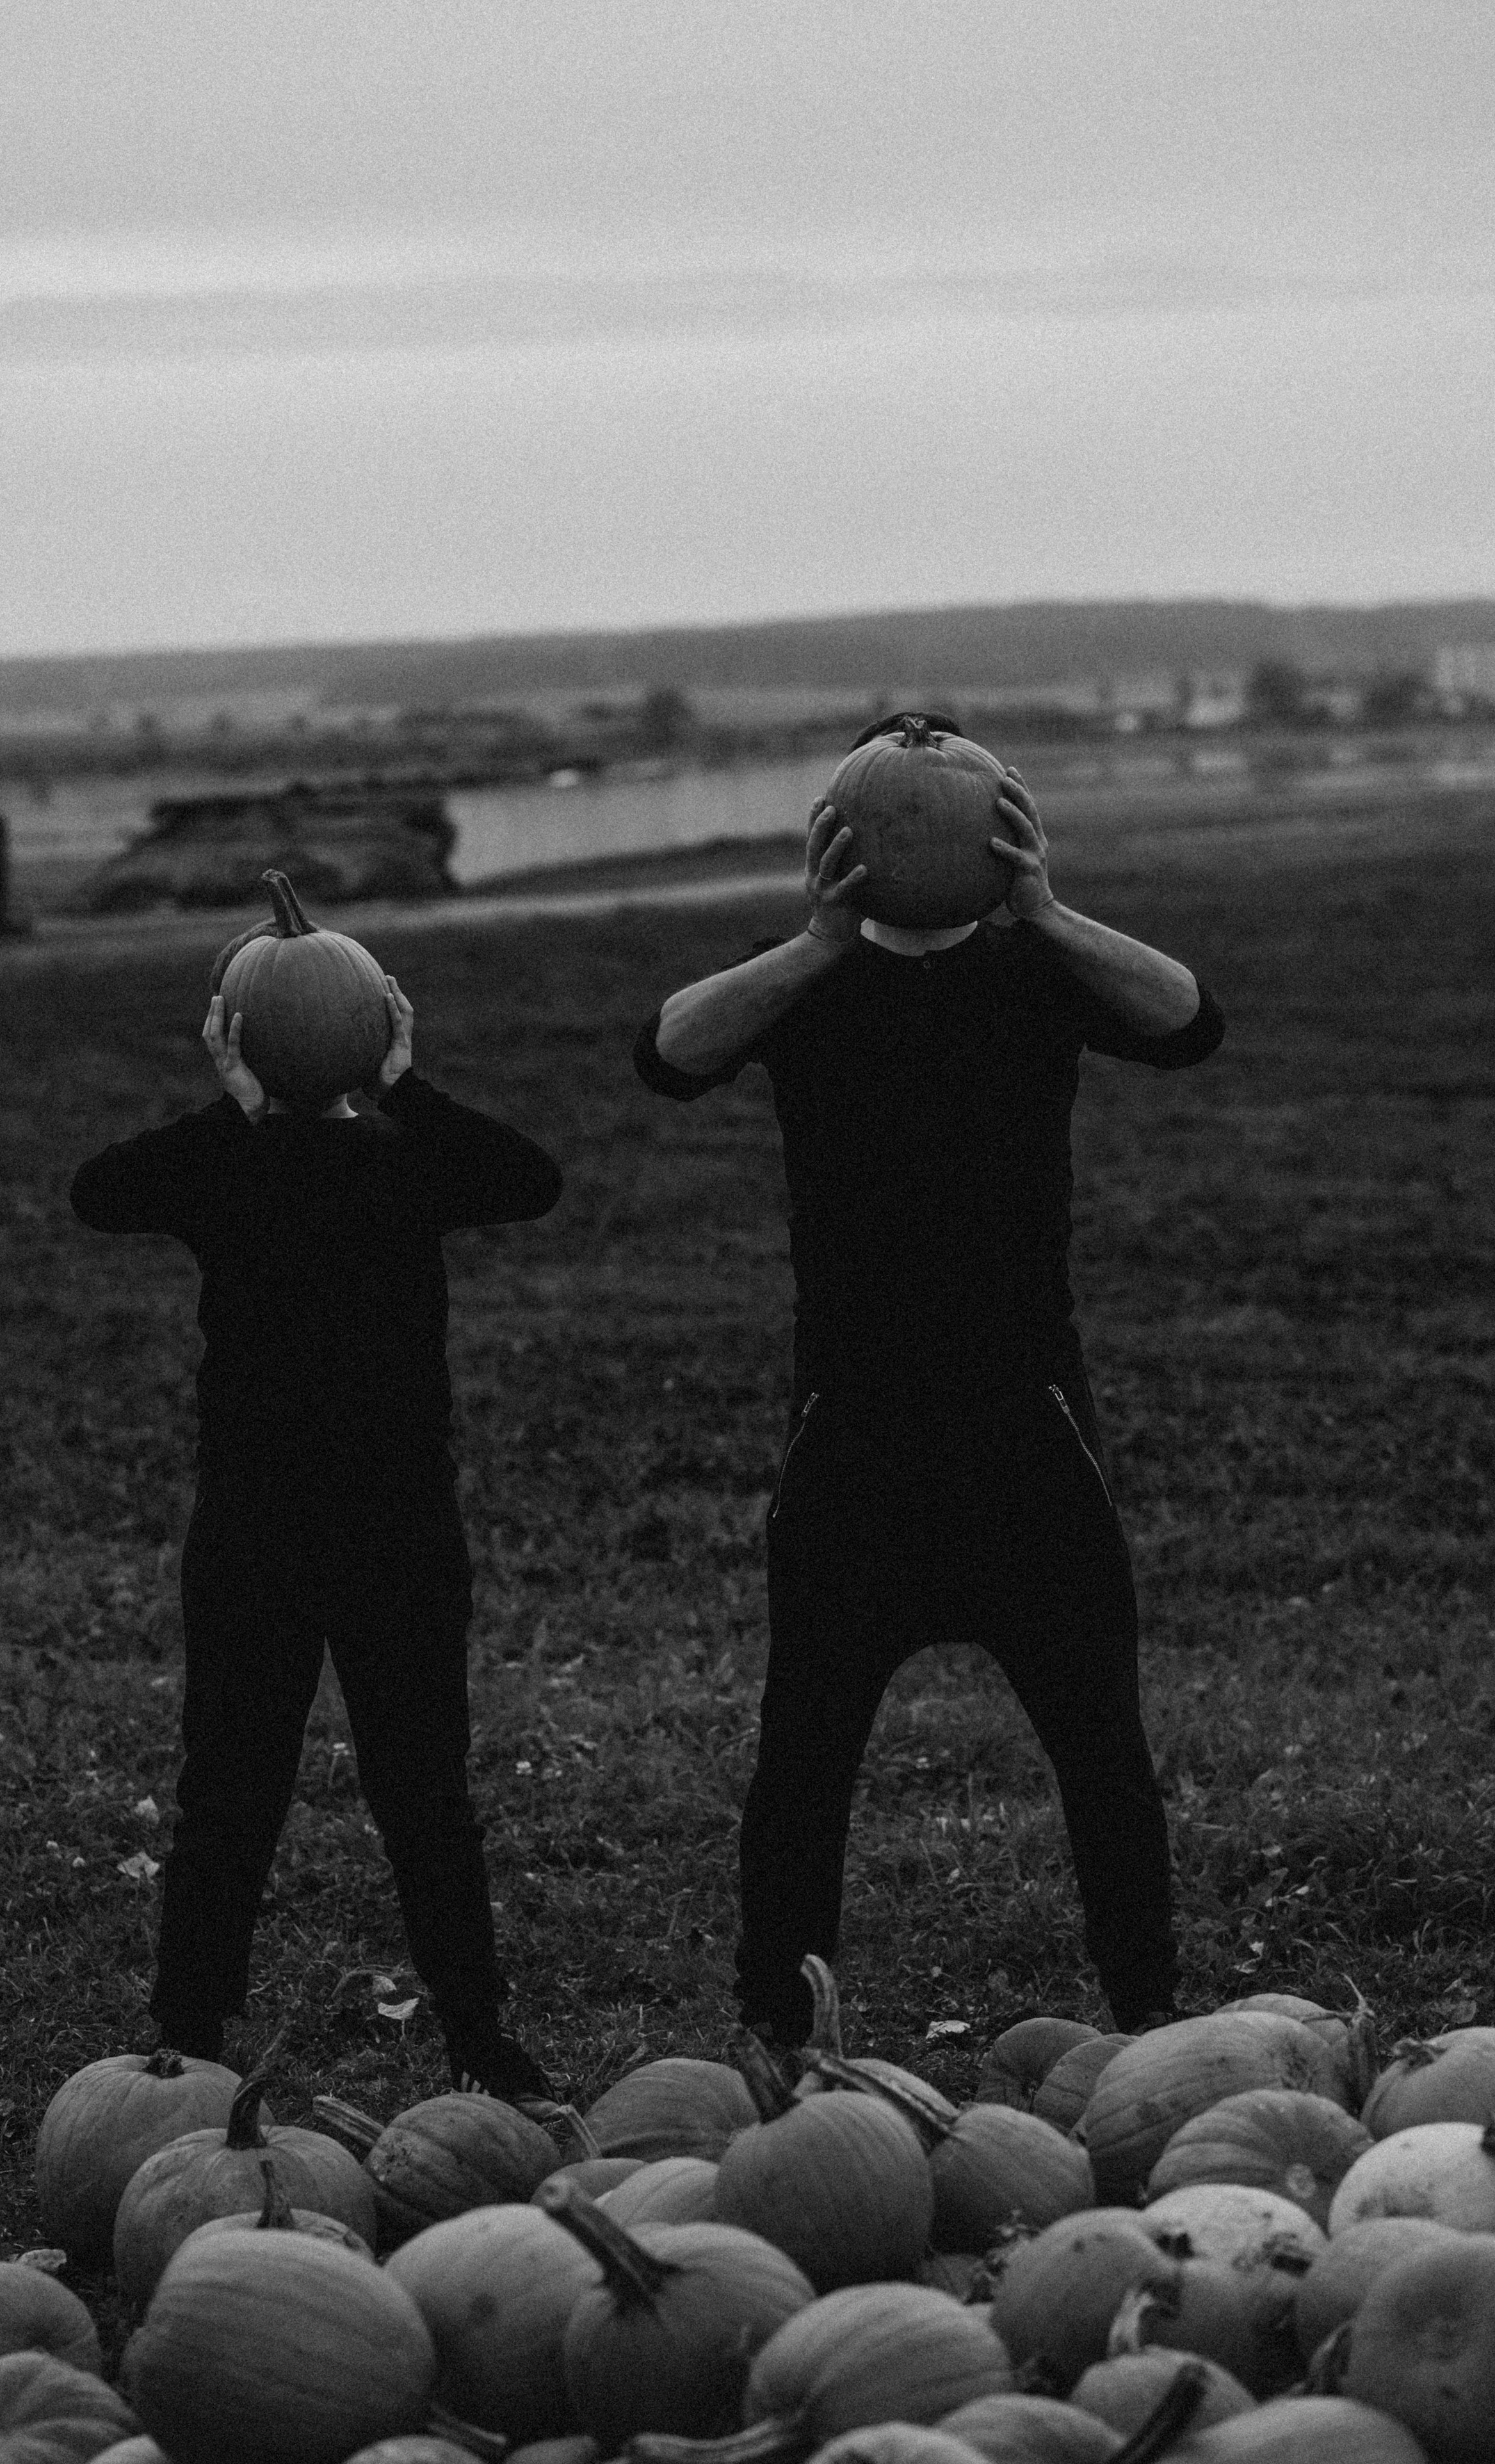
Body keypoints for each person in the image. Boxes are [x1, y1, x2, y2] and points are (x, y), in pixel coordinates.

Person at [633, 714, 1226, 2047]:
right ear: (839, 836)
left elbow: (1189, 1022)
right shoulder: (808, 989)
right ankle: (775, 2036)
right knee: (804, 1757)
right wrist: (816, 939)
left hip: (1027, 1423)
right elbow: (665, 1055)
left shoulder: (1037, 973)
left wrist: (1048, 909)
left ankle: (1150, 2020)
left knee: (1102, 1752)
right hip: (854, 1433)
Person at [71, 962, 562, 2100]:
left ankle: (200, 2036)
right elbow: (525, 1178)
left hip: (275, 1527)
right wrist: (408, 1084)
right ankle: (447, 2041)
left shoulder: (228, 1169)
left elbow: (106, 1189)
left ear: (236, 1036)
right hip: (372, 1528)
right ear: (373, 1032)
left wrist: (233, 1103)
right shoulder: (408, 1162)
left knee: (239, 1794)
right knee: (410, 1796)